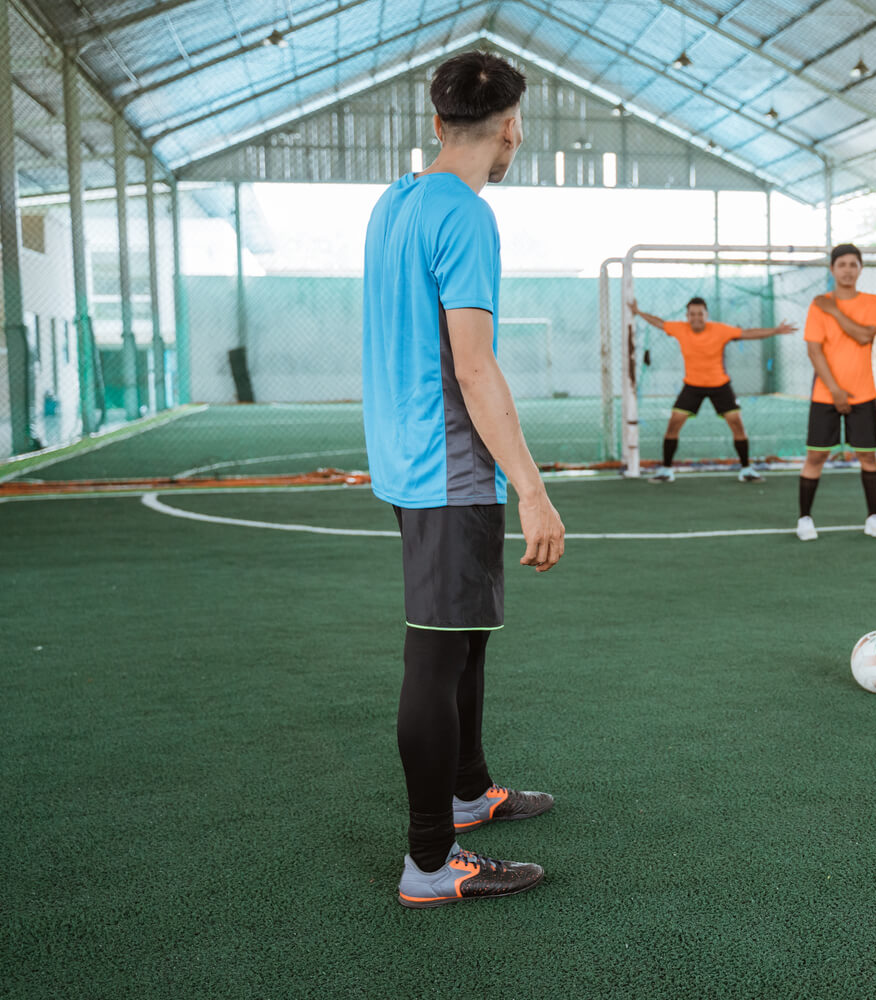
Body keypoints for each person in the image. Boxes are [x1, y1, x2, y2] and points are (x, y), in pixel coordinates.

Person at [362, 50, 566, 909]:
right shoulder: (467, 217)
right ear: (513, 126)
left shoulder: (397, 200)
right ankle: (429, 861)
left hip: (410, 457)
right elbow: (476, 370)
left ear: (438, 121)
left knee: (465, 639)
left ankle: (468, 791)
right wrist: (532, 486)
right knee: (436, 653)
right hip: (447, 465)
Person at [628, 297, 796, 482]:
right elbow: (660, 323)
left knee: (737, 424)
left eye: (700, 314)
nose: (696, 318)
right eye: (692, 314)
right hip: (692, 386)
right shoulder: (680, 329)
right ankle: (666, 470)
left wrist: (776, 330)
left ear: (706, 315)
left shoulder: (720, 330)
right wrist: (639, 312)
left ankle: (747, 469)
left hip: (720, 386)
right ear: (687, 316)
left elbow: (748, 333)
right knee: (674, 423)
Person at [796, 243, 876, 541]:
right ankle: (805, 519)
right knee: (816, 456)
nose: (848, 270)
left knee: (868, 457)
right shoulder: (817, 304)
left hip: (863, 393)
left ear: (860, 269)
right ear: (832, 269)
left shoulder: (873, 302)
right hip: (826, 394)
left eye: (853, 264)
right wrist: (835, 389)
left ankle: (874, 517)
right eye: (842, 264)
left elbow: (864, 337)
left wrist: (835, 310)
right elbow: (814, 350)